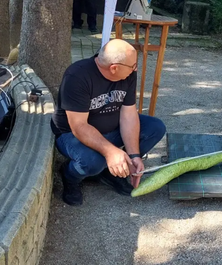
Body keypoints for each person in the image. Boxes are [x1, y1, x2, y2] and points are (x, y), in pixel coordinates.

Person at [51, 39, 167, 206]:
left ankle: (113, 172)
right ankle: (70, 176)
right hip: (72, 135)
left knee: (155, 128)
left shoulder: (127, 74)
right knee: (93, 162)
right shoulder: (77, 76)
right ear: (114, 68)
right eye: (133, 66)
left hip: (112, 128)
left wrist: (134, 155)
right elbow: (79, 127)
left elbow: (128, 114)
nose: (136, 69)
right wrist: (111, 152)